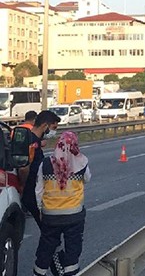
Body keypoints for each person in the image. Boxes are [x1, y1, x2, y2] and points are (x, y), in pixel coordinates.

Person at [33, 131, 90, 276]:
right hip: (74, 214)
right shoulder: (81, 162)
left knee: (46, 247)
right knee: (73, 247)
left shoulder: (45, 163)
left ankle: (39, 273)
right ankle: (71, 272)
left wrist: (40, 209)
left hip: (50, 215)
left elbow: (39, 189)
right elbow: (87, 179)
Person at [20, 110, 61, 227]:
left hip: (34, 189)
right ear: (45, 126)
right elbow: (24, 168)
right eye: (53, 127)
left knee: (47, 228)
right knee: (47, 228)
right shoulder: (31, 141)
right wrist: (23, 185)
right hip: (30, 190)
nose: (53, 132)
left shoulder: (35, 140)